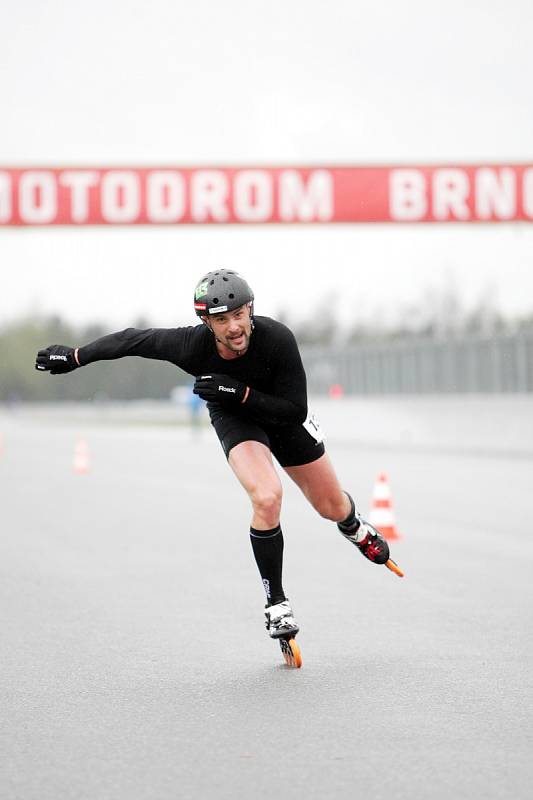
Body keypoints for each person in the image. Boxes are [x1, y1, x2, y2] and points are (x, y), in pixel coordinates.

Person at [35, 269, 396, 642]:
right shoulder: (192, 346)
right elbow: (134, 340)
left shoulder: (277, 338)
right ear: (206, 322)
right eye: (222, 320)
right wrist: (77, 357)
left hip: (282, 414)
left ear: (250, 310)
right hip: (237, 419)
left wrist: (239, 391)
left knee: (330, 506)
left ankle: (352, 525)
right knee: (267, 497)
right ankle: (277, 602)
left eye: (239, 315)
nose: (234, 327)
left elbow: (295, 410)